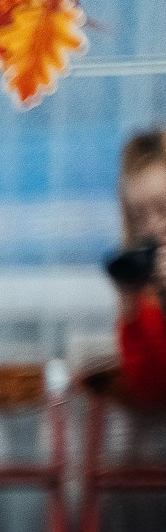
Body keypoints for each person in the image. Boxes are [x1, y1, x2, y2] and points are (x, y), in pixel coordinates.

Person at [113, 129, 166, 411]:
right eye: (139, 215)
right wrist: (128, 310)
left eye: (163, 208)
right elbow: (148, 392)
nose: (153, 227)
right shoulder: (145, 292)